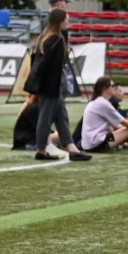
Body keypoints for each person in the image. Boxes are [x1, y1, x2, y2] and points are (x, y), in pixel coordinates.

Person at [30, 8, 91, 163]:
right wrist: (52, 86)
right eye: (66, 19)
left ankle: (71, 148)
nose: (68, 22)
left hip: (49, 84)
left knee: (62, 117)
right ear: (60, 21)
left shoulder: (46, 37)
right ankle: (41, 149)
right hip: (51, 85)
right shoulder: (55, 39)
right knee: (46, 117)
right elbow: (51, 66)